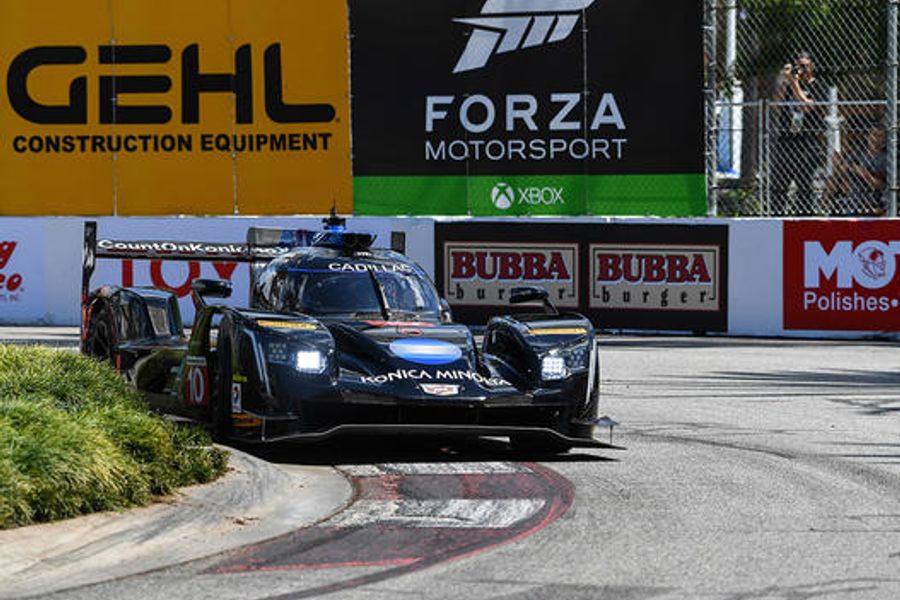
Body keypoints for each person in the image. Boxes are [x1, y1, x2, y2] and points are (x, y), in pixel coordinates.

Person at [770, 51, 829, 216]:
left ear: (812, 66)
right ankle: (777, 217)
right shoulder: (789, 84)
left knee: (804, 183)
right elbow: (776, 104)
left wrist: (795, 83)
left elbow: (807, 106)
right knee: (780, 183)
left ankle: (804, 217)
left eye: (804, 66)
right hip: (786, 139)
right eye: (798, 66)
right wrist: (785, 81)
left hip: (808, 140)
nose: (800, 70)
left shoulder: (820, 86)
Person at [827, 125, 887, 215]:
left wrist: (864, 173)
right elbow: (843, 169)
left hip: (874, 203)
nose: (875, 139)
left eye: (880, 136)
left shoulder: (886, 159)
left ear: (884, 140)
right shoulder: (858, 154)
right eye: (873, 134)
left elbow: (879, 185)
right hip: (855, 200)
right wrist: (839, 164)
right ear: (868, 136)